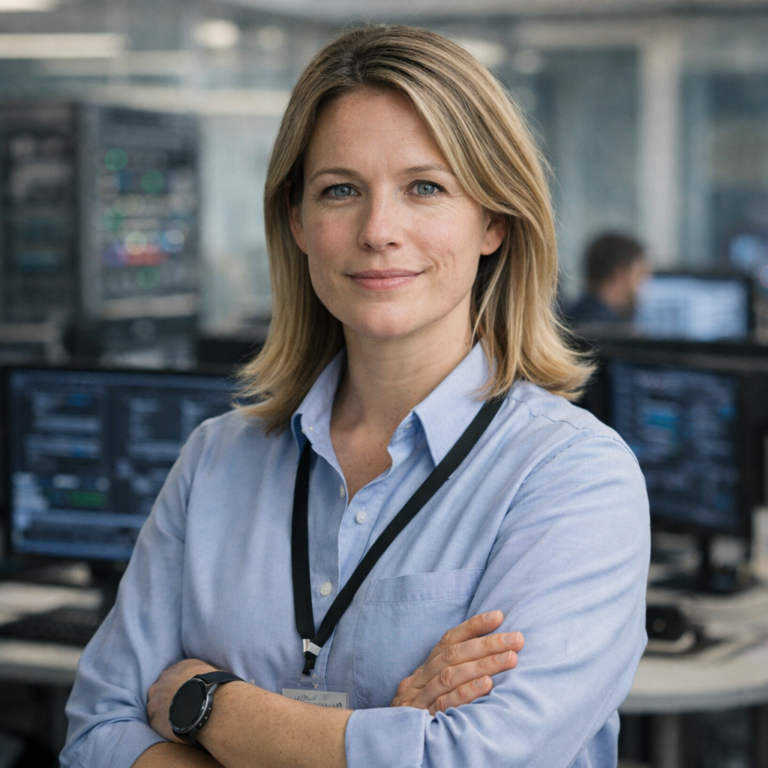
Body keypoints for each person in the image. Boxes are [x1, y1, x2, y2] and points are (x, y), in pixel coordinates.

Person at [61, 25, 649, 768]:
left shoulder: (573, 476)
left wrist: (209, 703)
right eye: (340, 190)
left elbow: (475, 762)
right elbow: (96, 737)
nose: (378, 231)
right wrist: (386, 736)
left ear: (494, 220)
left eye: (425, 188)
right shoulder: (215, 461)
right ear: (299, 223)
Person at [566, 232, 651, 329]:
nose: (645, 284)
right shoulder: (614, 332)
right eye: (641, 274)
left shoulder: (571, 316)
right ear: (620, 274)